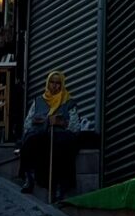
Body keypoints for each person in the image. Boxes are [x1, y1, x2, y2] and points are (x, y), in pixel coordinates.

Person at [18, 70, 89, 202]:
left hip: (60, 134)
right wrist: (45, 122)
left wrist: (62, 123)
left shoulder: (68, 102)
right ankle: (29, 177)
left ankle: (59, 187)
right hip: (41, 133)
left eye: (58, 83)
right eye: (52, 82)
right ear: (47, 83)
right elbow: (28, 123)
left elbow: (75, 126)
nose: (54, 86)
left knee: (61, 146)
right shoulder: (38, 101)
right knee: (29, 139)